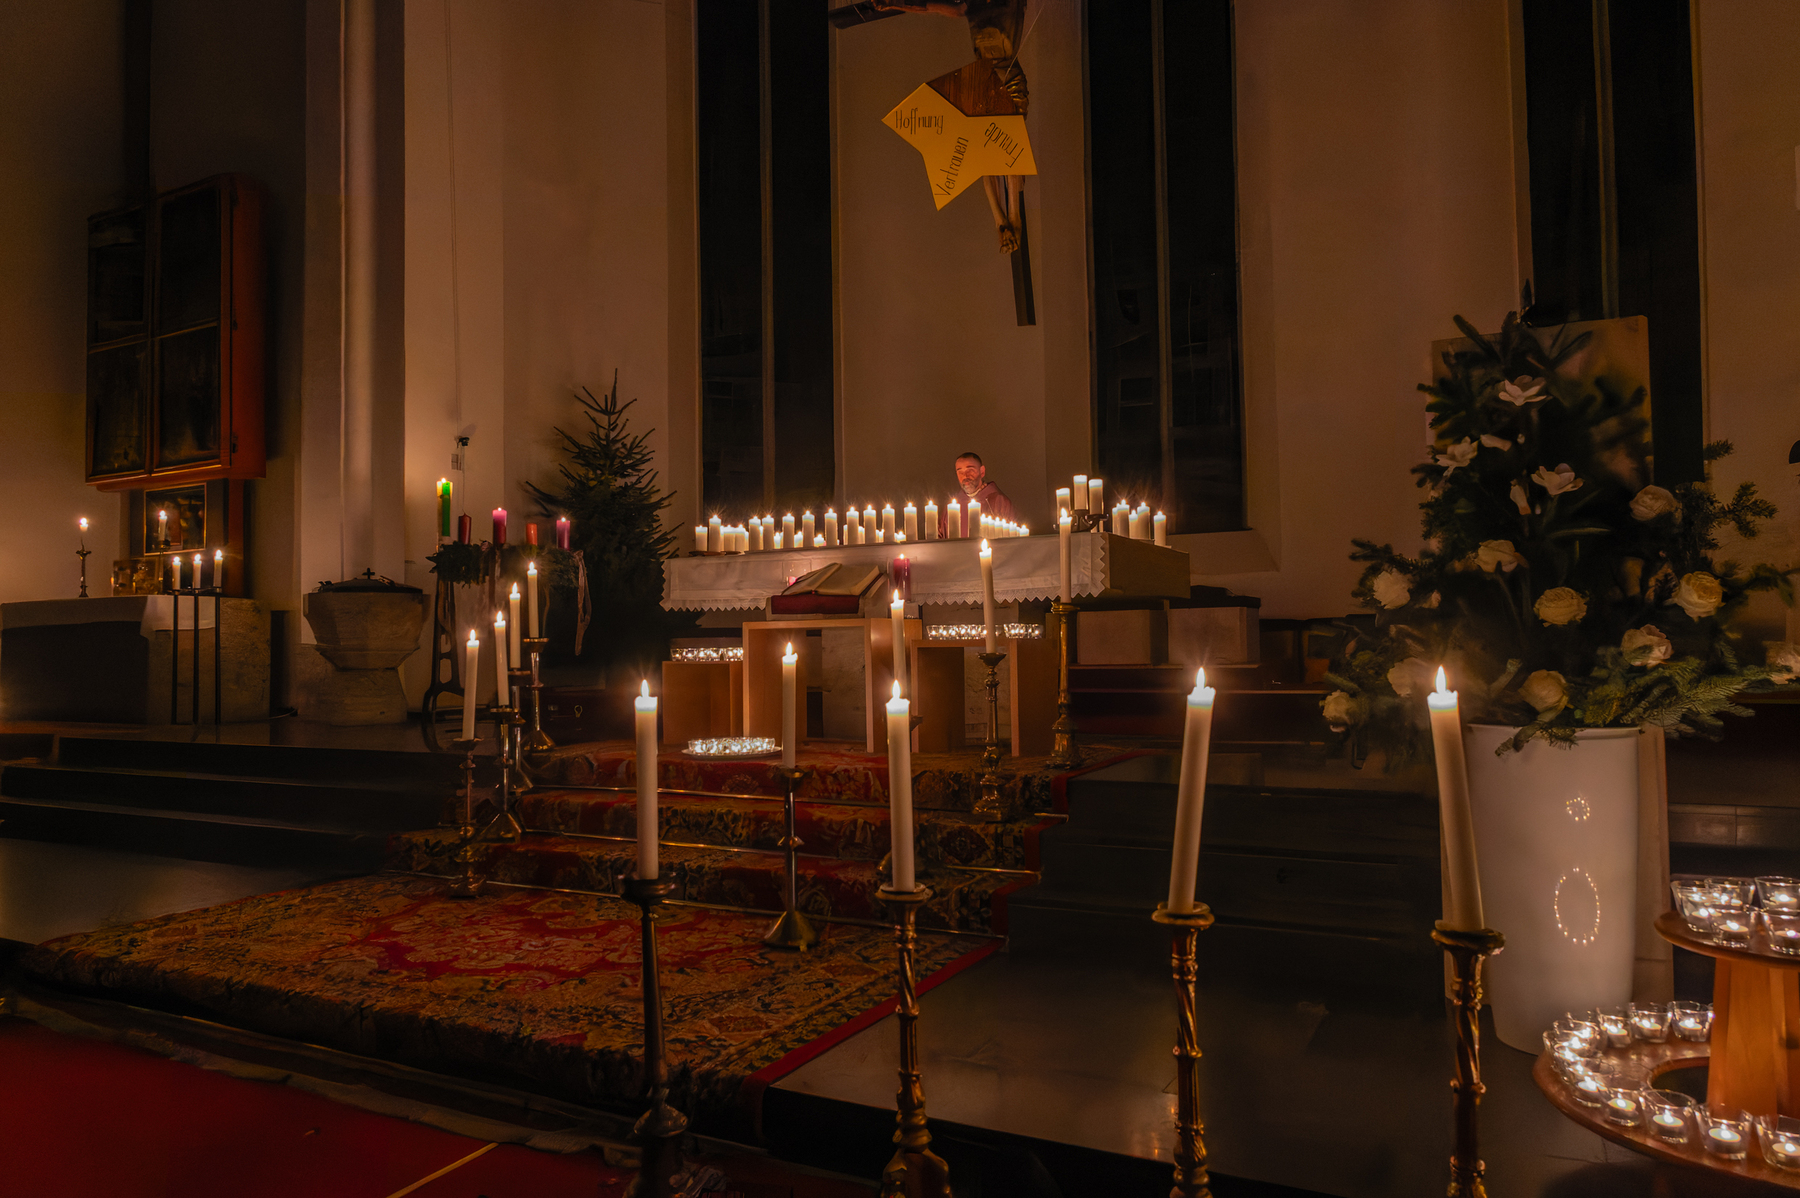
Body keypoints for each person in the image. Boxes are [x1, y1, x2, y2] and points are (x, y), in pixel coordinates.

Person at [942, 451, 1017, 536]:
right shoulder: (952, 507)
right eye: (960, 472)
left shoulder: (999, 501)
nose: (965, 476)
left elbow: (1009, 538)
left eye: (970, 470)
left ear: (982, 472)